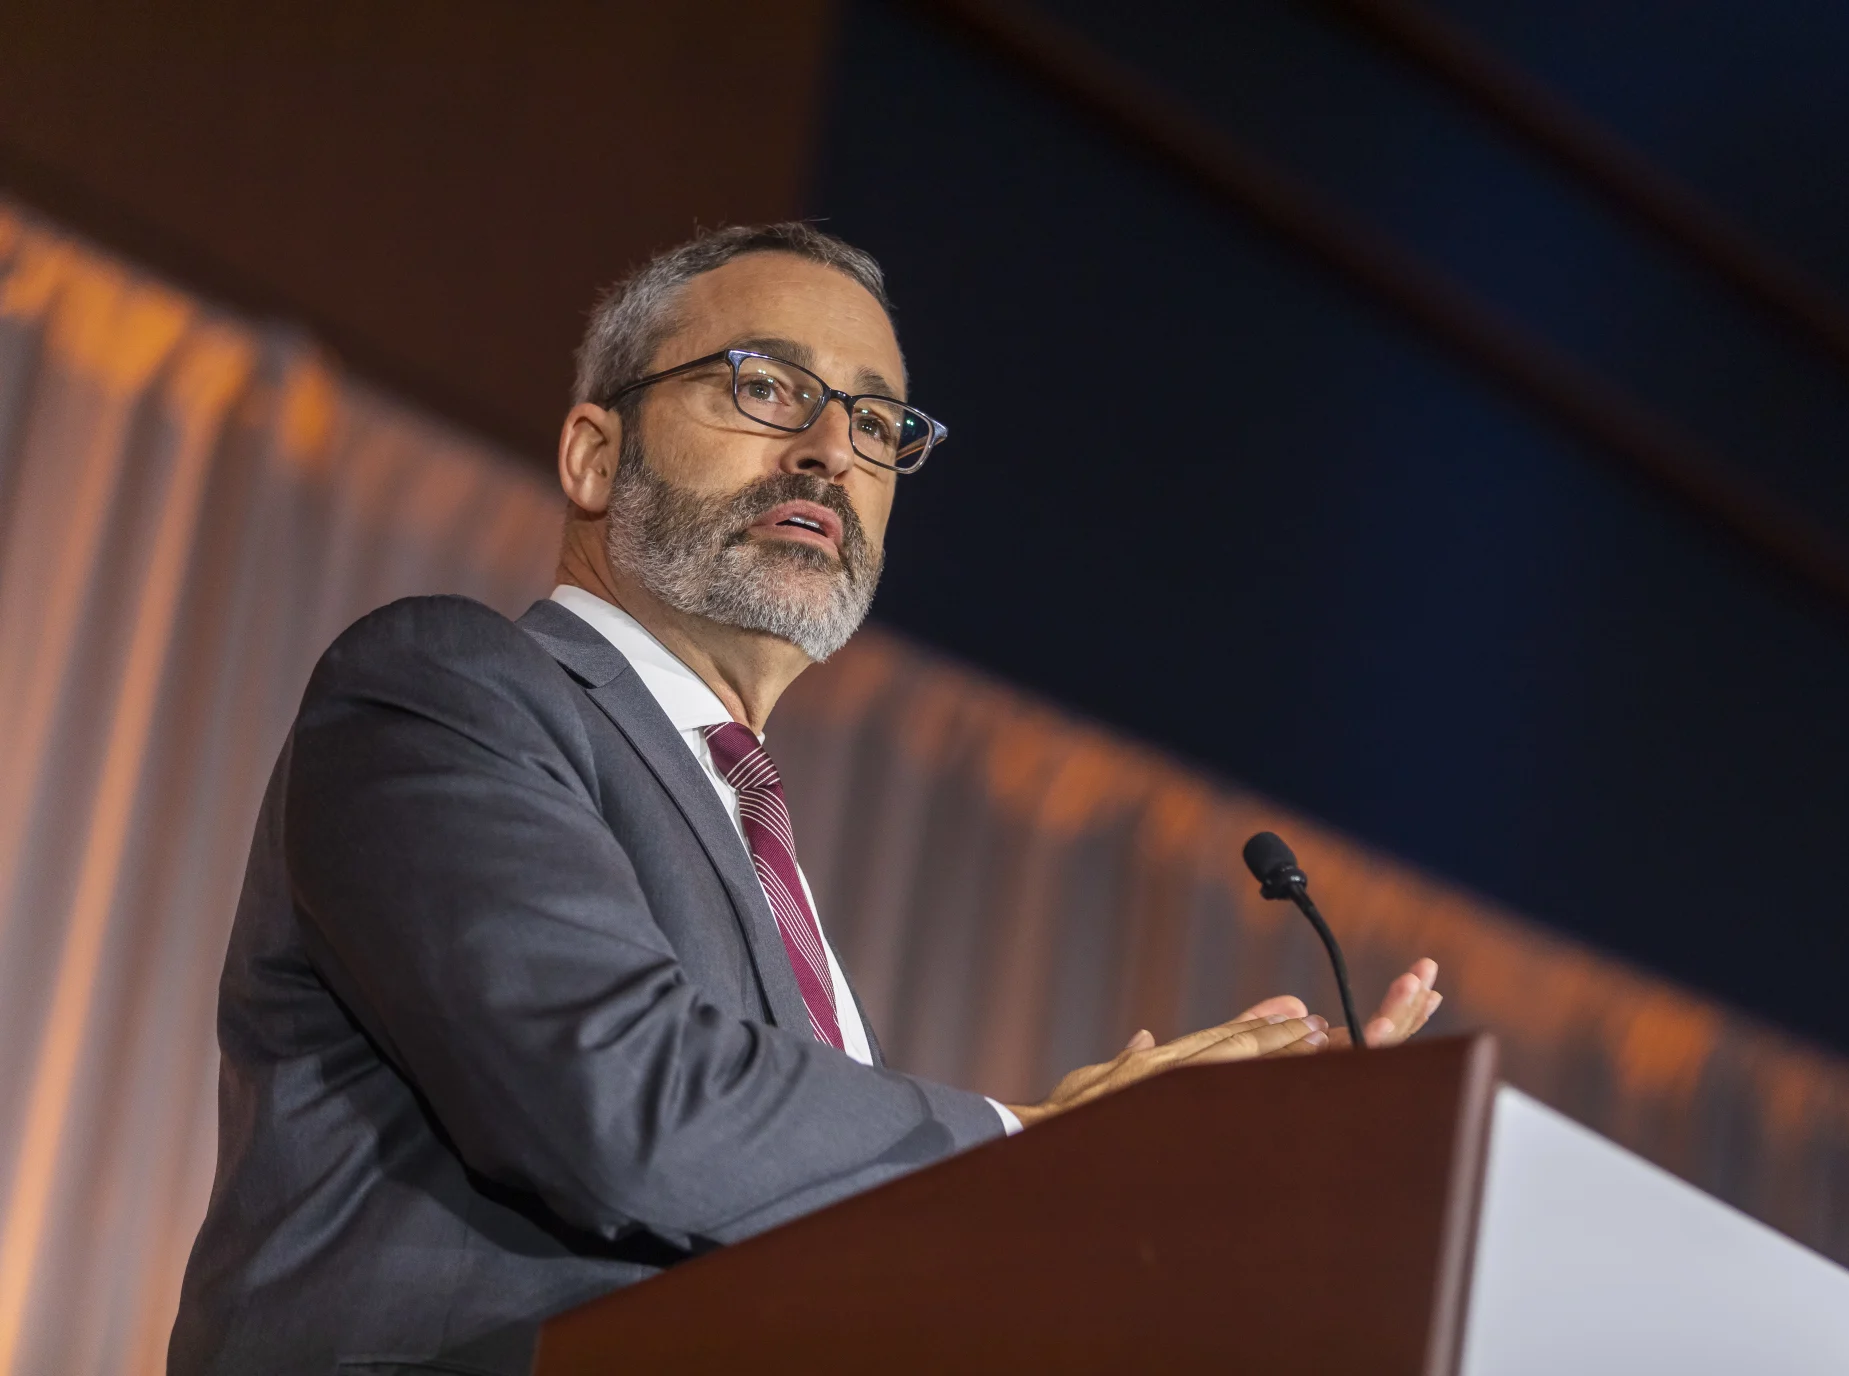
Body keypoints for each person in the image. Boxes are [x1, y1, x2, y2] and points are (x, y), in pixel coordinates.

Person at [168, 223, 1442, 1374]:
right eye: (766, 386)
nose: (831, 449)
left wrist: (1257, 1204)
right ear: (595, 454)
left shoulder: (753, 841)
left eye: (879, 424)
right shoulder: (448, 685)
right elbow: (627, 1103)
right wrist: (1037, 1143)